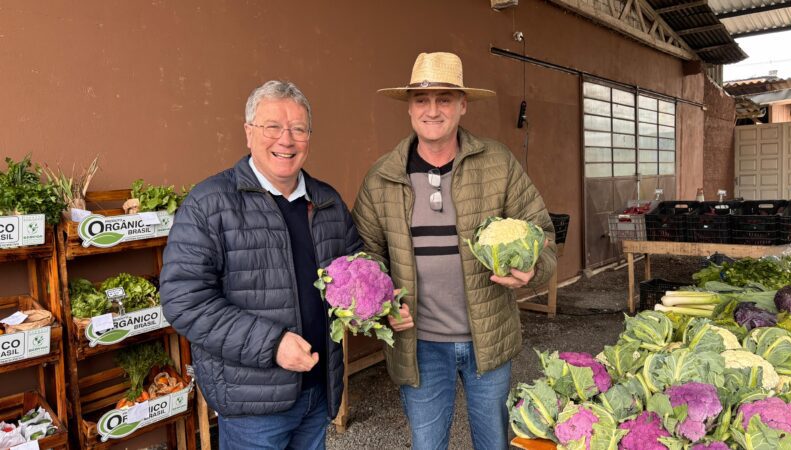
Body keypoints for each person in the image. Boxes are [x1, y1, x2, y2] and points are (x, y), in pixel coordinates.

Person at [352, 52, 557, 450]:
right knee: (428, 446)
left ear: (463, 105)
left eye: (444, 99)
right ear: (409, 109)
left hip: (489, 339)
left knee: (495, 443)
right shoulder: (382, 177)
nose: (433, 110)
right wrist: (381, 306)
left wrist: (535, 269)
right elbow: (366, 255)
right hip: (420, 345)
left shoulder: (498, 162)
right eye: (422, 100)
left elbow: (543, 234)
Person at [160, 80, 361, 450]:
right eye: (273, 127)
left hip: (318, 390)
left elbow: (356, 267)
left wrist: (378, 301)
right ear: (249, 133)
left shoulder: (328, 201)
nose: (286, 140)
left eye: (298, 129)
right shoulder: (209, 204)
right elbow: (183, 300)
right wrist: (273, 345)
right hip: (252, 403)